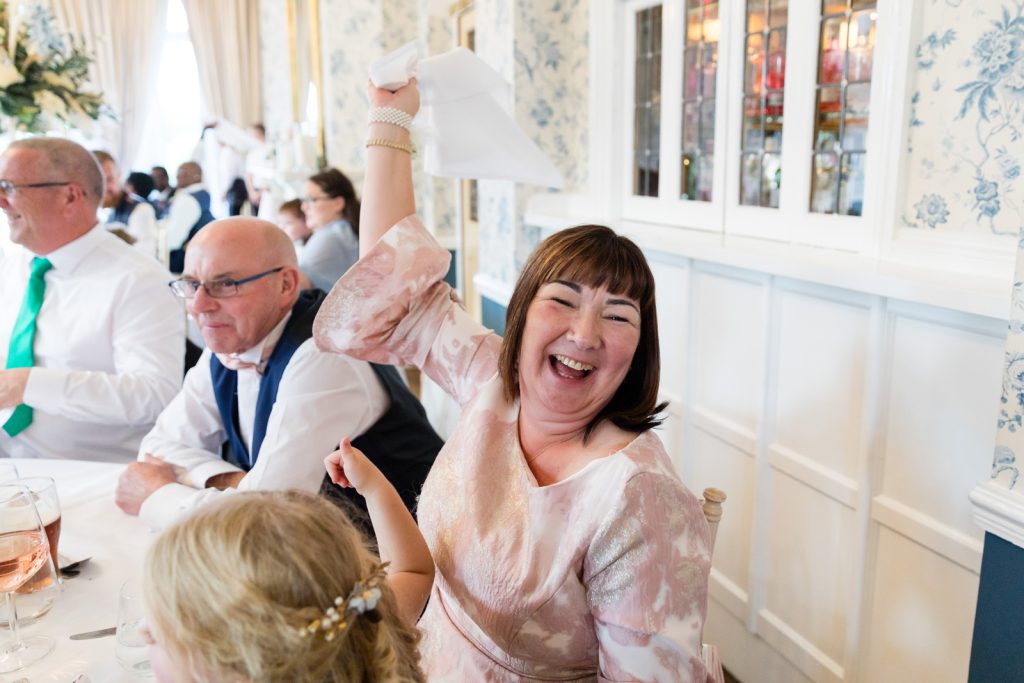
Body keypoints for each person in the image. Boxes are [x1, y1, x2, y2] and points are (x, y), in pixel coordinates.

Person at [312, 80, 718, 681]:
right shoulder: (492, 383)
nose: (585, 334)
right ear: (523, 313)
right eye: (564, 301)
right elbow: (392, 285)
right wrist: (390, 116)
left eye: (617, 315)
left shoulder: (638, 497)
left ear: (639, 349)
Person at [114, 216, 442, 532]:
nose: (199, 305)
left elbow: (262, 520)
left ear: (286, 284)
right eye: (191, 284)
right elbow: (158, 447)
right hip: (319, 556)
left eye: (225, 284)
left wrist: (159, 496)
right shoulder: (229, 345)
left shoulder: (324, 355)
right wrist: (234, 483)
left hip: (408, 568)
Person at [143, 439, 430, 682]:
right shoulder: (360, 625)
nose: (144, 631)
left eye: (160, 633)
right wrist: (373, 488)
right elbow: (413, 571)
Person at [0, 138, 184, 461]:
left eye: (10, 187)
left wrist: (27, 384)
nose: (2, 201)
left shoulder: (139, 280)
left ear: (69, 196)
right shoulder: (15, 268)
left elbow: (155, 395)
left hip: (93, 479)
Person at [298, 168, 360, 292]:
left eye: (312, 200)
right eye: (304, 200)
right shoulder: (343, 232)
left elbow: (296, 285)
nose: (303, 207)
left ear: (338, 203)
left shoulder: (330, 237)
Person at [93, 151, 159, 259]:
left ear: (119, 176)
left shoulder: (140, 209)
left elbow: (145, 255)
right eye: (97, 181)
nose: (103, 187)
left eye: (109, 180)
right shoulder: (93, 209)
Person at [164, 161, 214, 273]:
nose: (177, 177)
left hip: (183, 262)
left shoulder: (187, 200)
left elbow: (173, 241)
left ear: (196, 176)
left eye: (182, 174)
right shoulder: (204, 194)